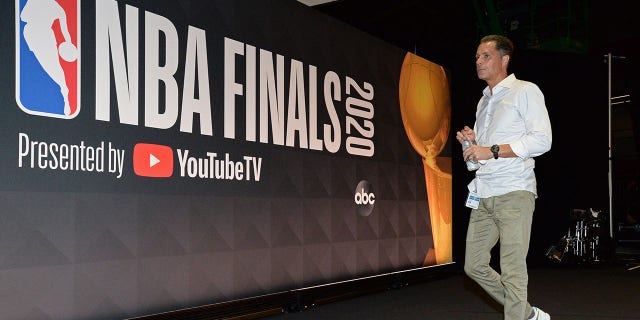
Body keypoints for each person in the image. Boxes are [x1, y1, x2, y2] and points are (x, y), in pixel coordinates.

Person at [456, 34, 552, 320]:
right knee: (473, 266)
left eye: (486, 56)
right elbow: (478, 160)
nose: (479, 62)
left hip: (514, 191)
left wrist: (492, 150)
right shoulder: (483, 102)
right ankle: (525, 313)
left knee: (512, 269)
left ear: (504, 59)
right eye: (476, 57)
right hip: (483, 193)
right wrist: (470, 145)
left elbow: (542, 140)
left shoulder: (525, 91)